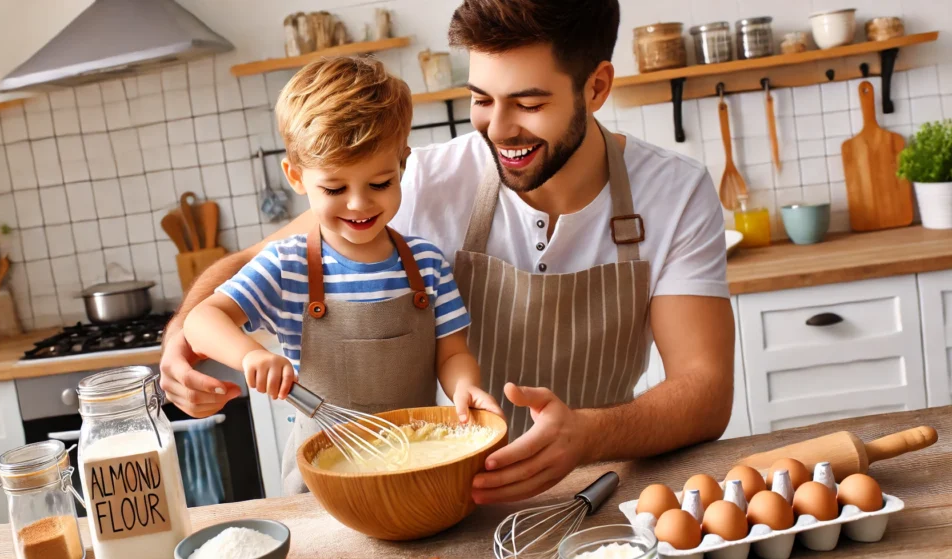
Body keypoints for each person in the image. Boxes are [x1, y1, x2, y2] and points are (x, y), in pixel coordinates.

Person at [161, 0, 735, 504]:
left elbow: (705, 393)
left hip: (597, 490)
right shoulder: (417, 182)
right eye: (482, 99)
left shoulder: (674, 192)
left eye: (528, 103)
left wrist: (588, 435)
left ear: (597, 87)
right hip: (443, 498)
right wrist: (181, 339)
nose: (499, 129)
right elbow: (243, 266)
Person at [181, 56, 502, 495]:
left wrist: (466, 387)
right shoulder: (286, 266)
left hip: (414, 466)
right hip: (322, 484)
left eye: (380, 183)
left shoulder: (426, 264)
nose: (358, 204)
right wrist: (250, 356)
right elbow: (201, 320)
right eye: (334, 188)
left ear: (402, 166)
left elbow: (451, 354)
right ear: (296, 176)